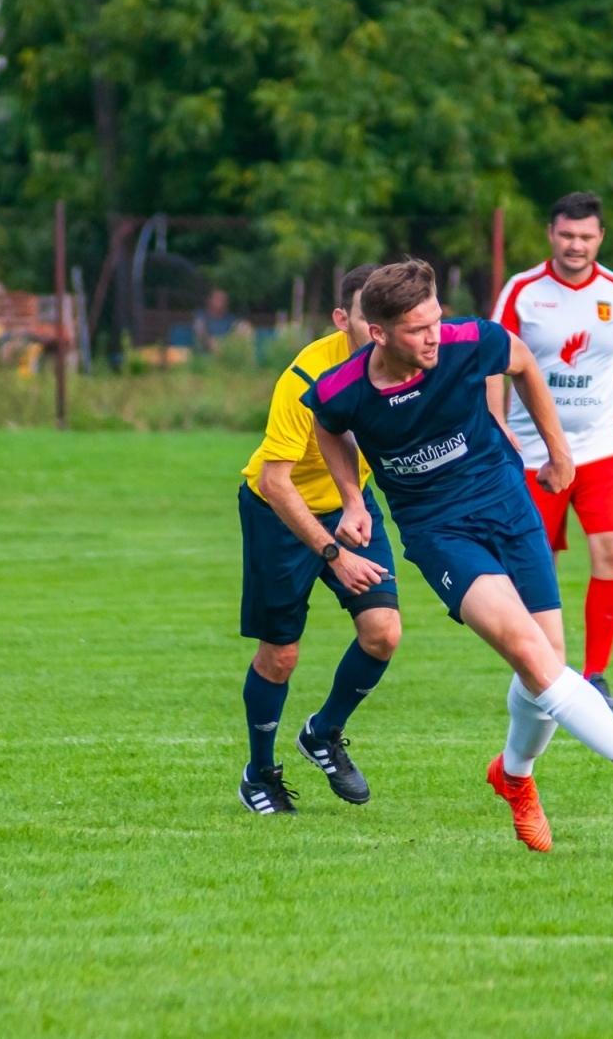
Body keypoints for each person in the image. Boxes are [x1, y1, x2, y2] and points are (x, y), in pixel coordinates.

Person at [304, 259, 613, 852]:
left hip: (508, 505)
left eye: (434, 320)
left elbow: (524, 362)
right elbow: (327, 426)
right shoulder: (343, 389)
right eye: (416, 328)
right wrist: (353, 497)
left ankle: (514, 778)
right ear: (378, 334)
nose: (433, 335)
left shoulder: (466, 341)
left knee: (548, 662)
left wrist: (559, 451)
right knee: (536, 661)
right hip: (439, 533)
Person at [236, 264, 401, 815]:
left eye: (389, 317)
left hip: (351, 505)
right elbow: (272, 481)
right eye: (367, 317)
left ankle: (322, 733)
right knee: (281, 656)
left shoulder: (406, 364)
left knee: (383, 633)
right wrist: (333, 552)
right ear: (341, 319)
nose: (381, 329)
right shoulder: (304, 379)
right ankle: (260, 774)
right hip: (279, 512)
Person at [489, 192, 613, 709]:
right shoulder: (522, 291)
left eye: (585, 236)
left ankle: (596, 674)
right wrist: (497, 426)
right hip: (534, 455)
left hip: (603, 449)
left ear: (600, 237)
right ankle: (546, 672)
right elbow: (494, 365)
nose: (575, 244)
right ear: (550, 234)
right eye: (566, 235)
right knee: (539, 562)